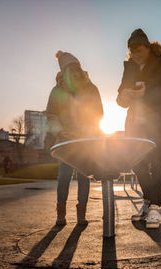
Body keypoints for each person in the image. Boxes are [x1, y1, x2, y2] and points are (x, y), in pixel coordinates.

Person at [116, 28, 161, 228]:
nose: (135, 55)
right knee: (135, 162)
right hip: (136, 124)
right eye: (132, 52)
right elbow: (119, 98)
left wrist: (147, 93)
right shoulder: (130, 68)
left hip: (158, 123)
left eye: (139, 51)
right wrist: (124, 97)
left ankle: (154, 208)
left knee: (156, 164)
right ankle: (147, 201)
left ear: (148, 47)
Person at [46, 51, 103, 226]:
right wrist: (61, 132)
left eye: (76, 68)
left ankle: (81, 215)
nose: (74, 72)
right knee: (64, 176)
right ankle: (60, 215)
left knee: (84, 176)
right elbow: (51, 115)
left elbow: (98, 113)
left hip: (85, 140)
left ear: (79, 67)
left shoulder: (91, 88)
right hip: (66, 141)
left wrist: (89, 130)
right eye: (69, 69)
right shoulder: (57, 90)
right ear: (63, 71)